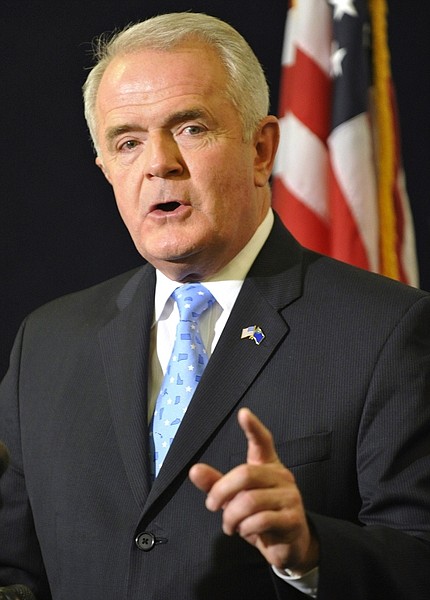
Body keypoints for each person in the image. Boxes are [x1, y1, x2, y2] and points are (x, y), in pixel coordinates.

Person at [0, 11, 430, 600]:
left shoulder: (387, 331)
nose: (158, 164)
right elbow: (13, 568)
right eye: (127, 142)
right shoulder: (47, 343)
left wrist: (310, 551)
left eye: (191, 128)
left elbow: (419, 555)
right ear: (106, 170)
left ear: (261, 148)